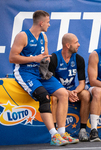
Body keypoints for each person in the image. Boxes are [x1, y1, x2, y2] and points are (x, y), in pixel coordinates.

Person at [9, 10, 79, 146]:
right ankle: (54, 136)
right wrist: (34, 58)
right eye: (48, 22)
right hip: (25, 72)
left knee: (64, 93)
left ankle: (62, 132)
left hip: (40, 73)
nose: (49, 24)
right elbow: (12, 58)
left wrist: (46, 61)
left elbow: (44, 57)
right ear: (41, 23)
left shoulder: (44, 37)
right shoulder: (22, 36)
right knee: (44, 96)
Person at [48, 33, 90, 142]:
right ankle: (56, 133)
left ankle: (82, 130)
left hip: (71, 90)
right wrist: (67, 92)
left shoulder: (79, 59)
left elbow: (82, 82)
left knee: (85, 94)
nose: (79, 45)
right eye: (76, 42)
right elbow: (51, 82)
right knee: (55, 98)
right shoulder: (54, 58)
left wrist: (75, 92)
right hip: (56, 90)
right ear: (67, 45)